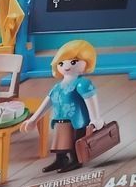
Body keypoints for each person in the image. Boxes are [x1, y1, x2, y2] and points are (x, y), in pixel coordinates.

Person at [22, 39, 104, 173]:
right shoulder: (57, 87)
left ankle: (76, 160)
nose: (66, 66)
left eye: (73, 62)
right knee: (60, 141)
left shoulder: (82, 83)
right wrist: (33, 119)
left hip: (78, 121)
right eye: (61, 63)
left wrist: (96, 119)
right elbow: (47, 102)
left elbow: (91, 99)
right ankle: (60, 159)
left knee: (75, 141)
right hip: (60, 120)